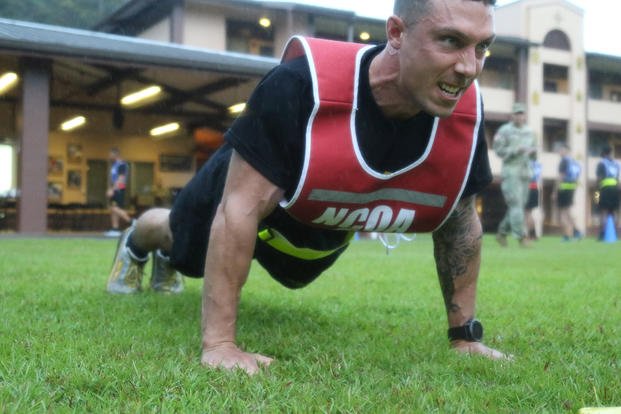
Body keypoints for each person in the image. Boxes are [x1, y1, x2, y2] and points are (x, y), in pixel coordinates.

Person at [106, 0, 509, 374]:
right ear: (397, 34)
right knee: (181, 243)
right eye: (451, 41)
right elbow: (239, 208)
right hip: (249, 198)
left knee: (299, 271)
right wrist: (221, 344)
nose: (469, 67)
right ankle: (138, 243)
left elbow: (459, 224)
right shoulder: (298, 86)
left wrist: (464, 338)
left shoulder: (463, 113)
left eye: (482, 48)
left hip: (312, 223)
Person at [493, 102, 536, 247]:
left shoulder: (530, 132)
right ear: (512, 115)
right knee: (516, 205)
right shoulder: (504, 130)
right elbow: (498, 150)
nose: (519, 116)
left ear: (525, 115)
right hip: (511, 171)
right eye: (517, 113)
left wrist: (533, 152)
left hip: (525, 171)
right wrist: (515, 150)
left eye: (522, 113)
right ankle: (521, 237)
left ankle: (502, 233)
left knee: (518, 206)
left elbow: (534, 153)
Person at [556, 143, 582, 241]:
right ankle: (577, 231)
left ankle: (566, 236)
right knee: (568, 211)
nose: (559, 152)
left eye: (561, 150)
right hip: (572, 188)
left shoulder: (564, 162)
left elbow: (560, 177)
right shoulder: (575, 162)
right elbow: (577, 176)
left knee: (563, 212)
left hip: (564, 188)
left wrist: (555, 191)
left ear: (566, 151)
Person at [105, 147, 132, 237]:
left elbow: (121, 179)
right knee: (113, 209)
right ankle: (115, 229)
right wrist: (110, 188)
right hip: (115, 189)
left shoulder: (121, 165)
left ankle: (131, 222)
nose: (109, 156)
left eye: (110, 154)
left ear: (115, 154)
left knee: (115, 209)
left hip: (119, 189)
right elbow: (113, 179)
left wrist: (113, 190)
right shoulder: (114, 165)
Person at [596, 145, 620, 240]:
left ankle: (602, 233)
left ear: (603, 153)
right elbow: (617, 179)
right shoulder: (616, 164)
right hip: (615, 189)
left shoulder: (601, 163)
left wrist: (597, 192)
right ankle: (615, 233)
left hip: (605, 189)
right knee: (615, 212)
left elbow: (599, 179)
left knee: (604, 211)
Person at [524, 153, 542, 240]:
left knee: (526, 213)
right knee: (529, 213)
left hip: (528, 189)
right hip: (535, 188)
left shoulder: (527, 164)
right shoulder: (538, 165)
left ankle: (530, 234)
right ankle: (533, 234)